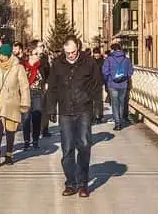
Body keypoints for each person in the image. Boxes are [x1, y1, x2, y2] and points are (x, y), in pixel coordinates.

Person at [47, 36, 103, 198]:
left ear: (78, 48)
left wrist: (97, 107)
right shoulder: (58, 64)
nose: (70, 55)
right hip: (65, 111)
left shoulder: (89, 62)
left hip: (83, 109)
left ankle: (83, 183)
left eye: (73, 52)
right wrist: (51, 108)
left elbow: (97, 85)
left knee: (84, 145)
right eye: (67, 53)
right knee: (67, 149)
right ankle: (70, 183)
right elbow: (52, 88)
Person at [0, 43, 30, 165]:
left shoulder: (18, 67)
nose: (1, 57)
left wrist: (25, 102)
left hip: (12, 101)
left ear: (9, 55)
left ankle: (9, 154)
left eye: (4, 55)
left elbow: (24, 86)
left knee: (10, 129)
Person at [101, 42, 134, 131]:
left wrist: (108, 80)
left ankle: (117, 124)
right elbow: (131, 71)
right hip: (123, 84)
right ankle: (121, 120)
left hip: (112, 84)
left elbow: (104, 71)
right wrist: (125, 77)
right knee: (121, 103)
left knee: (115, 104)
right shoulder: (126, 59)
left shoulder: (109, 59)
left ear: (113, 49)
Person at [22, 40, 48, 150]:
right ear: (31, 52)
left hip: (38, 93)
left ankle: (35, 140)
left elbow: (48, 75)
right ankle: (26, 141)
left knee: (37, 116)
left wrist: (46, 84)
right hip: (26, 94)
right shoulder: (23, 65)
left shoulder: (42, 64)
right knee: (26, 117)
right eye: (36, 53)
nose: (38, 56)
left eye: (39, 54)